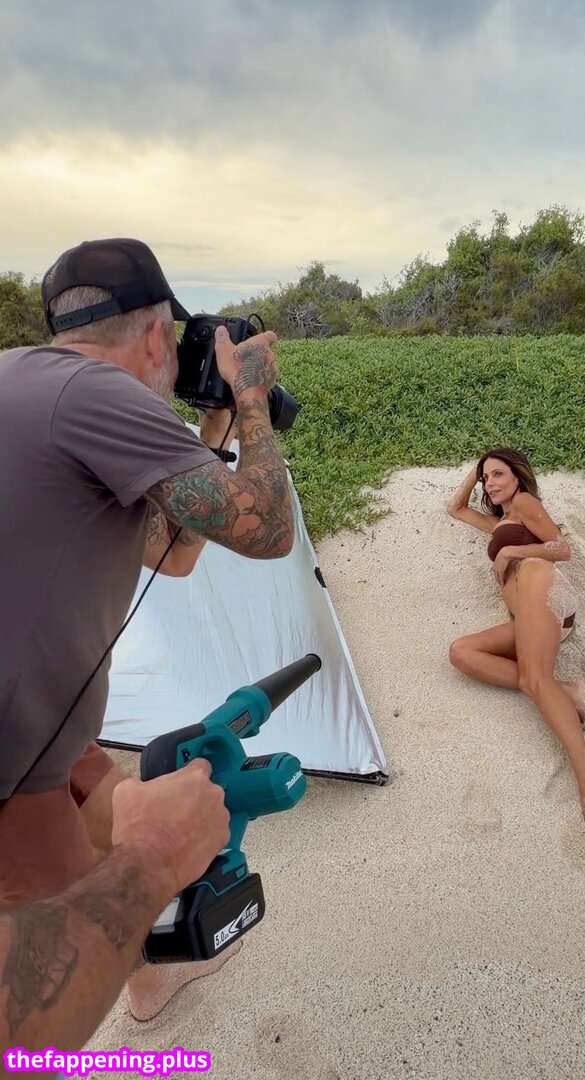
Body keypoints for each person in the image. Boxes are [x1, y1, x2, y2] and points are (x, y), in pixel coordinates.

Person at [0, 238, 294, 1018]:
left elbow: (173, 553)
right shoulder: (101, 391)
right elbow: (267, 530)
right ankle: (125, 992)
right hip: (11, 753)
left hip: (44, 719)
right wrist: (252, 397)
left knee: (110, 799)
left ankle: (149, 976)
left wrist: (213, 426)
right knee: (54, 964)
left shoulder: (25, 380)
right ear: (160, 336)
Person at [0, 759, 230, 1061]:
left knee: (110, 800)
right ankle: (150, 975)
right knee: (50, 869)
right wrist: (154, 856)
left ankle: (151, 975)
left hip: (36, 738)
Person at [447, 448, 585, 848]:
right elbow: (456, 509)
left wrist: (513, 551)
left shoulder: (524, 503)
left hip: (543, 587)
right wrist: (475, 472)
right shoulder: (500, 522)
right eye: (486, 478)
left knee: (533, 679)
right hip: (529, 616)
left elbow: (562, 548)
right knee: (462, 653)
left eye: (498, 474)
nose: (490, 483)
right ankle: (568, 690)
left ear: (518, 477)